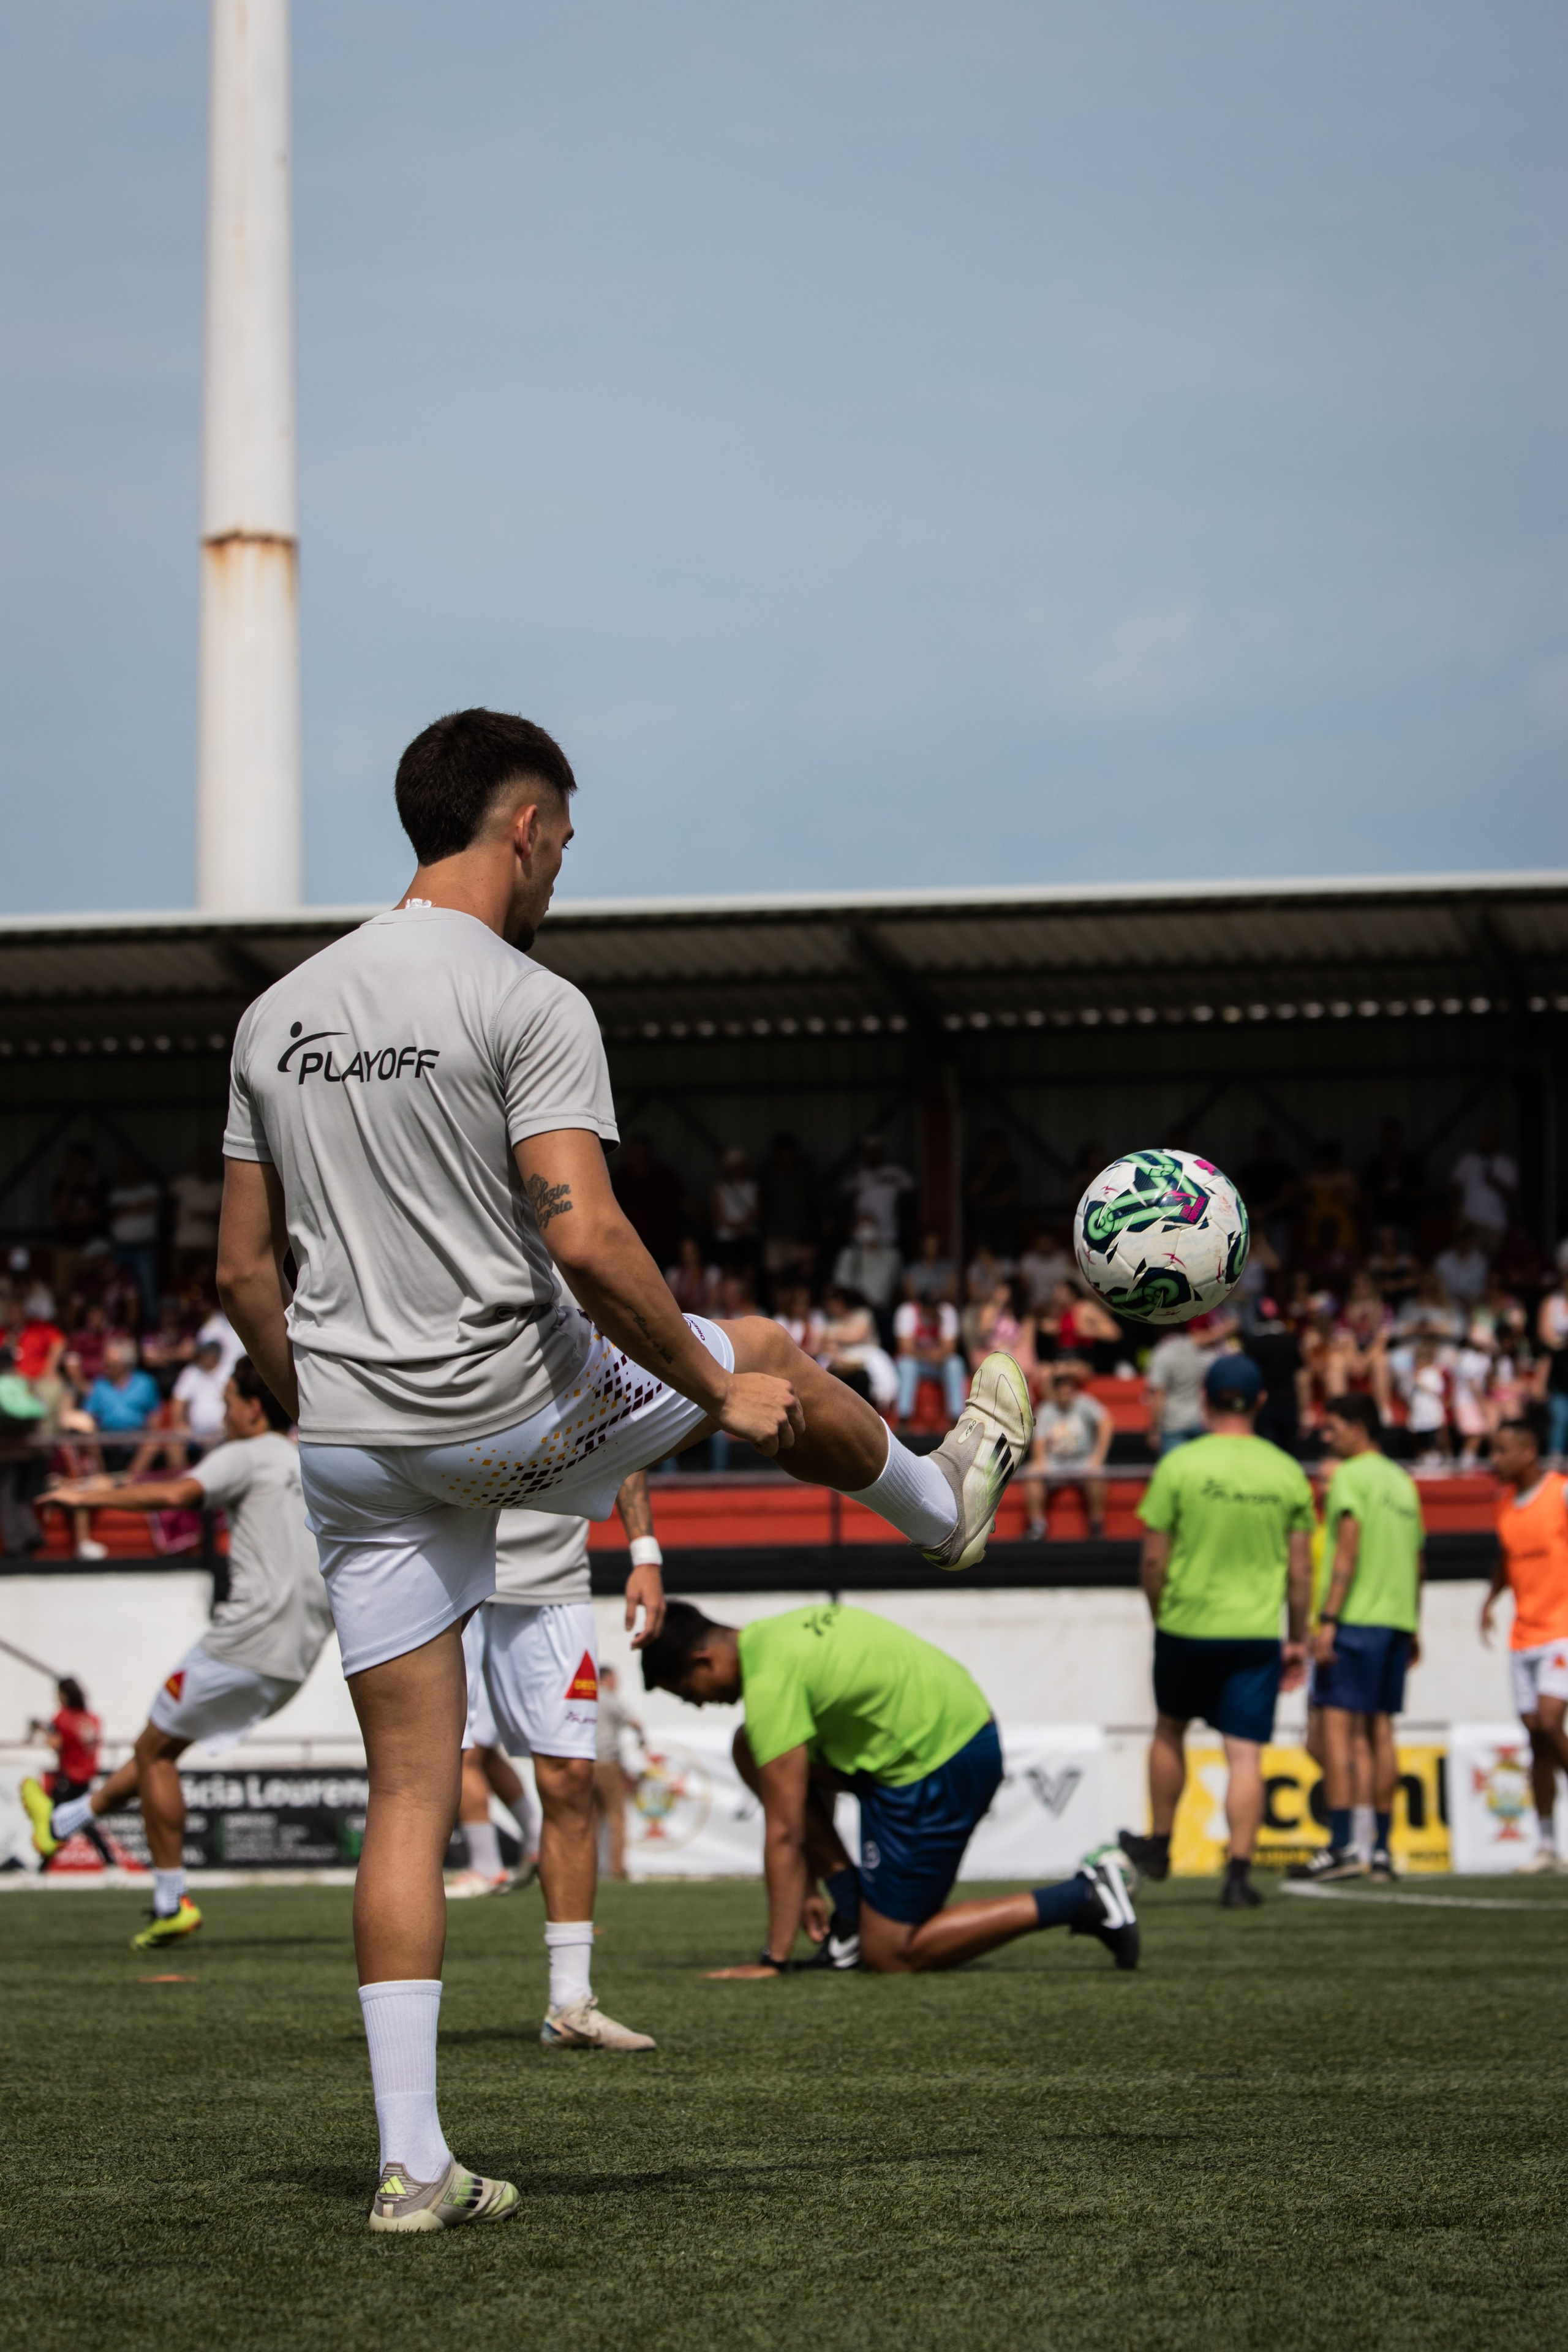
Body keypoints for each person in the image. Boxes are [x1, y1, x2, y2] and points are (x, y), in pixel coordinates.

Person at [212, 707, 1031, 2232]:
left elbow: (242, 1272)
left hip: (353, 1442)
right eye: (565, 842)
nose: (564, 871)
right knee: (774, 1347)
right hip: (506, 1405)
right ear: (521, 824)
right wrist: (714, 1386)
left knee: (407, 1791)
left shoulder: (277, 1015)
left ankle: (409, 2167)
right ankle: (943, 1506)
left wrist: (319, 1406)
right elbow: (582, 1232)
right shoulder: (528, 995)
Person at [639, 1600, 1139, 1974]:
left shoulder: (768, 1680)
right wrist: (822, 1884)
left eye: (688, 1694)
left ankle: (1084, 1896)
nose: (698, 1705)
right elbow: (807, 1783)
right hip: (936, 1741)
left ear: (704, 1661)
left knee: (892, 1953)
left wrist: (774, 1958)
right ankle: (851, 1914)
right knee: (750, 1748)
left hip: (943, 1759)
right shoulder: (773, 1636)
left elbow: (787, 1833)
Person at [23, 1357, 333, 1947]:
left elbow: (178, 1492)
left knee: (152, 1751)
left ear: (249, 1407)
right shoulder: (306, 1458)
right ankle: (60, 1825)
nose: (220, 1414)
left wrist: (88, 1501)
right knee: (165, 1743)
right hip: (298, 1657)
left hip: (244, 1640)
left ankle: (172, 1900)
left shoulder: (248, 1451)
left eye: (225, 1403)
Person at [456, 1470, 662, 2050]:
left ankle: (569, 2003)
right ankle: (405, 2012)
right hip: (440, 1565)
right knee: (431, 1768)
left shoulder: (590, 1371)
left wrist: (645, 1553)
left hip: (554, 1581)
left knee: (574, 1779)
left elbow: (627, 1429)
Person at [1120, 1355, 1314, 1909]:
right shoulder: (1286, 1471)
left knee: (1169, 1731)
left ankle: (1160, 1846)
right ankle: (1238, 1875)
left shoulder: (1179, 1465)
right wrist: (1296, 1637)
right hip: (1255, 1631)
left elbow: (1153, 1563)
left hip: (1186, 1623)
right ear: (1258, 1403)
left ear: (1204, 1400)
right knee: (1245, 1754)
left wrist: (1162, 1617)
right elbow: (1301, 1572)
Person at [1290, 1396, 1424, 1885]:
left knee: (1335, 1733)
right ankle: (1382, 1850)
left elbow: (1347, 1550)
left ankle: (1343, 1845)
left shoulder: (1351, 1476)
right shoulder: (1403, 1481)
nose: (1327, 1436)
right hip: (1395, 1619)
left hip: (1354, 1619)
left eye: (1334, 1427)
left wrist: (1328, 1620)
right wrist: (1414, 1624)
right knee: (1382, 1734)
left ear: (1359, 1428)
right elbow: (1416, 1560)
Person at [1482, 1408, 1568, 1872]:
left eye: (1501, 1450)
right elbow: (1506, 1561)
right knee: (1536, 1737)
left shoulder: (1561, 1492)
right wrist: (1488, 1601)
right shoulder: (1503, 1505)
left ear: (1528, 1452)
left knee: (1553, 1723)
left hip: (1562, 1631)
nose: (1493, 1458)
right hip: (1523, 1635)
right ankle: (1548, 1844)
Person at [1020, 1360, 1113, 1541]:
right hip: (1056, 1464)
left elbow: (1106, 1423)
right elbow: (1039, 1440)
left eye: (1068, 1393)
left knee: (1099, 1472)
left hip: (1083, 1462)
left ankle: (1096, 1523)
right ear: (1055, 1393)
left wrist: (1098, 1457)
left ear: (1074, 1391)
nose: (1064, 1397)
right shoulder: (1046, 1410)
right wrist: (1040, 1462)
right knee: (1031, 1473)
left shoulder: (1085, 1404)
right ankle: (1038, 1525)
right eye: (1061, 1394)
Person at [26, 1677, 115, 1869]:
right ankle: (109, 1861)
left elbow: (56, 1744)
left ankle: (42, 1868)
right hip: (86, 1777)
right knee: (79, 1819)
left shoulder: (63, 1717)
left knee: (61, 1821)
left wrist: (42, 1731)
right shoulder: (92, 1718)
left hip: (69, 1778)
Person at [892, 1283, 967, 1423]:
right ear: (921, 1305)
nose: (933, 1310)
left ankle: (957, 1418)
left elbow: (951, 1348)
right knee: (907, 1365)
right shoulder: (907, 1312)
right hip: (917, 1363)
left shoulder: (947, 1311)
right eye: (929, 1307)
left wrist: (938, 1355)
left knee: (955, 1363)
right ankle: (904, 1417)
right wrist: (928, 1355)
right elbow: (905, 1348)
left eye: (935, 1306)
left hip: (939, 1363)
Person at [594, 1663, 640, 1883]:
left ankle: (586, 1867)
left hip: (584, 1763)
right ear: (607, 1679)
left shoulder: (586, 1696)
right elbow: (634, 1721)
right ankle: (616, 1870)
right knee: (616, 1819)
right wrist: (642, 1737)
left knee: (589, 1820)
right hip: (607, 1763)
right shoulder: (609, 1698)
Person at [756, 1132, 820, 1291]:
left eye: (788, 1152)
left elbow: (814, 1197)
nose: (785, 1156)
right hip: (774, 1230)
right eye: (781, 1152)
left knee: (795, 1272)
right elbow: (760, 1199)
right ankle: (777, 1309)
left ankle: (794, 1308)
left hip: (796, 1231)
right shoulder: (768, 1170)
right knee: (775, 1273)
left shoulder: (804, 1170)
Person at [107, 1156, 162, 1325]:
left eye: (133, 1169)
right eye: (126, 1170)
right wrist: (138, 1207)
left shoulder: (150, 1189)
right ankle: (117, 1326)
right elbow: (112, 1214)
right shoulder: (117, 1192)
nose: (129, 1173)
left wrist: (125, 1209)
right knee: (117, 1291)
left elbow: (152, 1206)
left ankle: (151, 1328)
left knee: (148, 1290)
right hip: (120, 1249)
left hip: (144, 1249)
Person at [840, 1135, 914, 1251]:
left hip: (888, 1232)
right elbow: (843, 1195)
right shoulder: (858, 1173)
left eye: (876, 1151)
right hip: (864, 1232)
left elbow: (912, 1190)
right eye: (869, 1152)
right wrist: (849, 1223)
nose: (873, 1155)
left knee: (887, 1264)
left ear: (882, 1152)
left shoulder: (894, 1172)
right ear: (864, 1154)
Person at [1451, 1128, 1517, 1259]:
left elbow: (1513, 1195)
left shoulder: (1506, 1163)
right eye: (1483, 1138)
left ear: (1497, 1141)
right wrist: (1454, 1210)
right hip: (1471, 1218)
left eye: (1490, 1138)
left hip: (1496, 1222)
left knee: (1495, 1261)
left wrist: (1496, 1183)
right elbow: (1453, 1184)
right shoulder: (1468, 1160)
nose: (1486, 1142)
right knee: (1471, 1259)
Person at [1145, 1325, 1209, 1456]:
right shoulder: (1192, 1346)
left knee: (1175, 1473)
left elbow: (1159, 1395)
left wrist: (1154, 1430)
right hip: (1198, 1419)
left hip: (1173, 1425)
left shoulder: (1161, 1354)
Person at [831, 1215, 903, 1322]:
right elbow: (841, 1284)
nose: (866, 1230)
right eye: (862, 1226)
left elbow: (898, 1284)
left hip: (883, 1314)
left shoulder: (892, 1256)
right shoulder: (848, 1255)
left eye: (870, 1226)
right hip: (855, 1313)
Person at [168, 1145, 225, 1278]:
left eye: (208, 1162)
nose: (204, 1165)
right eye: (201, 1161)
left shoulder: (221, 1186)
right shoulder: (182, 1184)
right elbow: (167, 1202)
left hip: (208, 1243)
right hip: (182, 1241)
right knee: (178, 1280)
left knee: (208, 1279)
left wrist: (208, 1215)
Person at [1536, 1248, 1568, 1460]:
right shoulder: (1551, 1302)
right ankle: (1555, 1461)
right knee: (1560, 1417)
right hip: (1559, 1370)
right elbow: (1547, 1338)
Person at [710, 1148, 760, 1273]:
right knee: (729, 1272)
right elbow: (717, 1215)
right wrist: (735, 1228)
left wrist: (744, 1227)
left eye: (740, 1166)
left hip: (748, 1235)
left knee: (750, 1271)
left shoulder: (752, 1187)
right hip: (727, 1237)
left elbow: (757, 1212)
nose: (738, 1170)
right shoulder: (720, 1189)